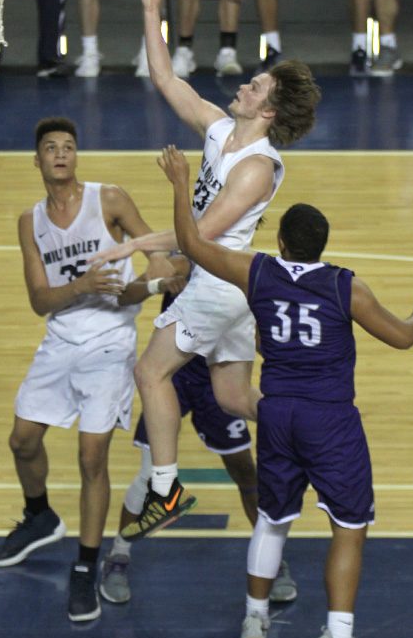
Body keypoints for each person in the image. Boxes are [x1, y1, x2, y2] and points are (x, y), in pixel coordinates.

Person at [159, 145, 413, 638]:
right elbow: (403, 339)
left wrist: (179, 182)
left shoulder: (258, 271)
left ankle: (255, 618)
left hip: (277, 413)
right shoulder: (346, 287)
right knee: (350, 527)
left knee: (272, 517)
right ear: (322, 246)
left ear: (282, 242)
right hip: (329, 418)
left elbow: (192, 243)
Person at [91, 0, 321, 542]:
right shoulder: (220, 130)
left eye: (258, 86)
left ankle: (164, 490)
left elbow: (195, 239)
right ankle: (313, 429)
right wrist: (151, 5)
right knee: (232, 395)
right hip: (235, 287)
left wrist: (132, 242)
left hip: (220, 287)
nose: (246, 83)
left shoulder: (257, 168)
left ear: (269, 112)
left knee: (150, 371)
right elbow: (167, 78)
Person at [0, 116, 172, 623]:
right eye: (51, 148)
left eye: (69, 146)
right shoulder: (31, 222)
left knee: (92, 457)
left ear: (76, 157)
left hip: (110, 342)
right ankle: (39, 515)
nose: (61, 154)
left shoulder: (108, 198)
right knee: (22, 440)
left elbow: (155, 247)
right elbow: (39, 300)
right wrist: (85, 286)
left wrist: (158, 277)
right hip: (61, 338)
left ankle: (86, 567)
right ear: (38, 161)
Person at [99, 255, 297, 605]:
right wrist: (157, 285)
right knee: (149, 477)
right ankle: (118, 555)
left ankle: (273, 561)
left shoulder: (241, 269)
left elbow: (257, 331)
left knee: (244, 470)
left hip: (219, 380)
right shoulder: (179, 262)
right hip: (171, 379)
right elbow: (124, 296)